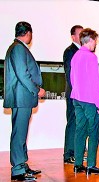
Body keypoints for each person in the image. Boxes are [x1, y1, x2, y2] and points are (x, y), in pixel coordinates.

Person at [4, 21, 45, 181]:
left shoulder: (16, 48)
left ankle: (22, 164)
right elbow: (23, 74)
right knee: (19, 134)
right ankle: (18, 169)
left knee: (20, 133)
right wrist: (36, 89)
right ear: (28, 33)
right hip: (21, 98)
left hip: (22, 98)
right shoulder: (18, 49)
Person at [70, 28, 99, 174]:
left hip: (77, 98)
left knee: (80, 131)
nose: (96, 43)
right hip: (90, 100)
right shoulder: (91, 57)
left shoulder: (76, 56)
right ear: (90, 40)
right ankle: (91, 164)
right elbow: (95, 82)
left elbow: (72, 79)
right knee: (94, 132)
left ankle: (78, 164)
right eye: (95, 40)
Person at [63, 25, 83, 164]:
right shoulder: (70, 51)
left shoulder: (83, 51)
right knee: (72, 123)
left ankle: (78, 151)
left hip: (82, 94)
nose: (83, 37)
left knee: (80, 124)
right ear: (73, 37)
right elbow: (71, 73)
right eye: (80, 34)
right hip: (74, 93)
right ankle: (69, 154)